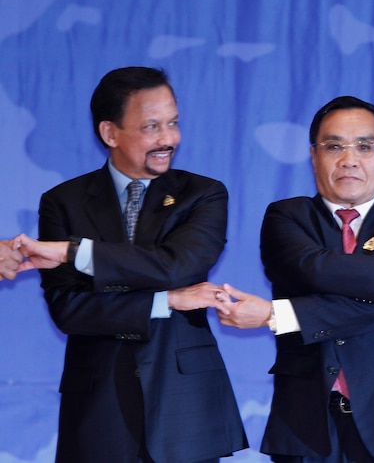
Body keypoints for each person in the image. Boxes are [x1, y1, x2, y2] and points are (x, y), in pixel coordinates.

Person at [217, 95, 374, 463]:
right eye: (334, 146)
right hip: (305, 417)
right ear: (314, 156)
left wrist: (275, 315)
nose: (349, 159)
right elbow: (312, 266)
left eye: (365, 146)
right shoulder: (287, 217)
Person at [13, 66, 247, 462]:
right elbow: (70, 310)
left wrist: (75, 253)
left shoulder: (203, 194)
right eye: (151, 126)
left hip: (184, 405)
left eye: (173, 123)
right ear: (110, 133)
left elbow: (177, 265)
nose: (168, 139)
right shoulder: (63, 202)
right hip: (99, 407)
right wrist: (167, 301)